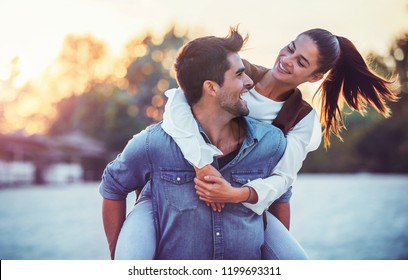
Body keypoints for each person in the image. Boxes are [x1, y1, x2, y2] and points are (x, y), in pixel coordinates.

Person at [113, 27, 399, 260]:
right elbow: (178, 102)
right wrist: (201, 164)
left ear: (314, 77)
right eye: (290, 48)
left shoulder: (301, 120)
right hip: (183, 182)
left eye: (301, 62)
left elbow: (282, 181)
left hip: (245, 198)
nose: (287, 60)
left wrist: (237, 194)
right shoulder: (239, 72)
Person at [100, 27, 309, 260]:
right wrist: (116, 256)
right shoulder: (154, 144)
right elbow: (113, 187)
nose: (250, 81)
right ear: (210, 87)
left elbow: (280, 195)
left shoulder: (272, 142)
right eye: (239, 75)